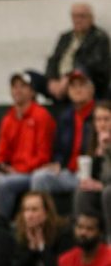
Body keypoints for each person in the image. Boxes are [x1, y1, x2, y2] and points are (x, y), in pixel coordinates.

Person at [0, 72, 56, 219]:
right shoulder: (8, 118)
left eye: (23, 86)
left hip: (34, 171)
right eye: (14, 86)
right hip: (15, 171)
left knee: (5, 183)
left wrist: (18, 170)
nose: (17, 90)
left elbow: (43, 156)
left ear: (32, 91)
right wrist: (0, 165)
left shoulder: (41, 116)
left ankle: (5, 223)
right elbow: (1, 151)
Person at [31, 69, 95, 197]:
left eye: (81, 85)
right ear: (68, 91)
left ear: (91, 90)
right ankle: (44, 215)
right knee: (40, 177)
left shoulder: (100, 115)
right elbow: (58, 148)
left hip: (90, 173)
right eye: (73, 86)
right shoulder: (66, 117)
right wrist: (58, 163)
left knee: (84, 185)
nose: (77, 90)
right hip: (68, 171)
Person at [33, 2, 110, 101]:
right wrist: (52, 80)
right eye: (75, 16)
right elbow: (53, 60)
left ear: (91, 18)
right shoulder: (65, 37)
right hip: (59, 83)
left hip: (84, 82)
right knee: (29, 76)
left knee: (81, 71)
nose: (78, 20)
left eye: (82, 16)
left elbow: (93, 64)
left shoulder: (99, 37)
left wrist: (69, 77)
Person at [73, 100, 111, 233]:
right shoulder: (94, 142)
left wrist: (107, 151)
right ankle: (85, 235)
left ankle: (109, 240)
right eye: (98, 120)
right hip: (103, 187)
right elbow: (92, 174)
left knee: (108, 193)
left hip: (108, 189)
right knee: (82, 192)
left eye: (106, 119)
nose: (102, 124)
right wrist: (99, 151)